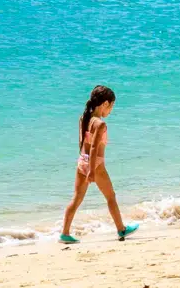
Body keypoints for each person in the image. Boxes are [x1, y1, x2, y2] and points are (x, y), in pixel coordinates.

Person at [60, 85, 139, 243]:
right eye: (112, 106)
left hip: (82, 160)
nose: (111, 111)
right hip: (96, 164)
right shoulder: (100, 124)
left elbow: (81, 142)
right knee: (111, 196)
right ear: (105, 104)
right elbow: (95, 147)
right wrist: (92, 171)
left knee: (76, 199)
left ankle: (65, 234)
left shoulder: (84, 118)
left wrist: (84, 163)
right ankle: (121, 229)